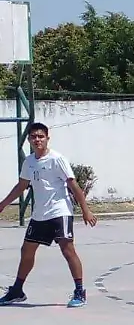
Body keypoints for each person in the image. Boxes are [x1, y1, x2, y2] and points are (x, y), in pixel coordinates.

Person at [0, 123, 97, 307]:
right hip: (40, 214)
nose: (37, 140)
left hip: (60, 211)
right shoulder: (29, 162)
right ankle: (17, 291)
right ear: (29, 140)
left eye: (40, 136)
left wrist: (86, 210)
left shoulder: (57, 159)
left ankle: (79, 292)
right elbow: (21, 186)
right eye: (33, 137)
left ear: (47, 138)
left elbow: (73, 185)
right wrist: (3, 204)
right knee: (26, 251)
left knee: (67, 250)